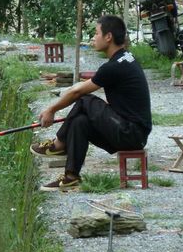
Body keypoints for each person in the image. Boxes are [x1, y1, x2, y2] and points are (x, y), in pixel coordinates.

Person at [30, 15, 152, 191]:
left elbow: (78, 92)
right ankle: (71, 177)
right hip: (128, 130)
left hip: (131, 133)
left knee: (85, 100)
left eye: (96, 33)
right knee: (80, 122)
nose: (94, 38)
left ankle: (59, 144)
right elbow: (80, 87)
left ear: (108, 37)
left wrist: (51, 109)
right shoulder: (124, 58)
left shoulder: (114, 66)